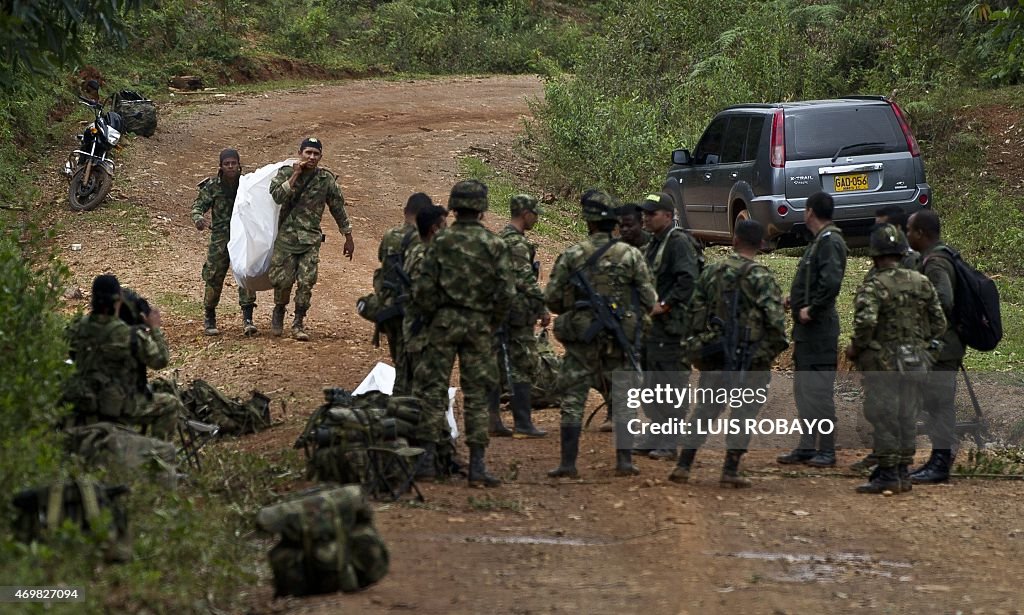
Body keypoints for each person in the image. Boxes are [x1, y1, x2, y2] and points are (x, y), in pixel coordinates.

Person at [410, 180, 515, 488]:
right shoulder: (495, 245)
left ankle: (427, 459)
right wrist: (490, 321)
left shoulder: (441, 242)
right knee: (477, 393)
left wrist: (434, 315)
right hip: (479, 326)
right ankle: (478, 465)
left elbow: (423, 288)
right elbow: (507, 293)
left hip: (443, 323)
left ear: (453, 207)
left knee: (433, 388)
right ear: (482, 208)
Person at [546, 190, 657, 478]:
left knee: (573, 397)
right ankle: (624, 461)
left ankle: (568, 464)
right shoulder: (631, 255)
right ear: (614, 223)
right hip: (619, 337)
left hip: (582, 338)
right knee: (624, 396)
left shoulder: (573, 255)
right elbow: (648, 298)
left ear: (589, 222)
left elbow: (553, 299)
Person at [670, 220, 788, 487]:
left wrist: (700, 346)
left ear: (734, 240)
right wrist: (765, 355)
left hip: (716, 355)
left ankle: (684, 464)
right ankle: (730, 469)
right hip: (751, 358)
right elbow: (777, 325)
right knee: (744, 414)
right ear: (760, 245)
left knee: (705, 410)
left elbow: (694, 314)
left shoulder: (712, 272)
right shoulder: (763, 277)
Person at [845, 224, 946, 493]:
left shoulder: (875, 285)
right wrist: (927, 353)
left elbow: (865, 323)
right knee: (907, 416)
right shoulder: (921, 282)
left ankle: (888, 473)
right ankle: (902, 470)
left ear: (875, 255)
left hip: (883, 364)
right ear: (902, 253)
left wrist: (856, 348)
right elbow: (939, 323)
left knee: (883, 415)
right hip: (914, 362)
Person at [778, 192, 848, 467]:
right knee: (803, 390)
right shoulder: (820, 242)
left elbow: (830, 283)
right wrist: (795, 300)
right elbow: (814, 281)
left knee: (819, 392)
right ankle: (807, 446)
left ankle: (827, 449)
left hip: (819, 330)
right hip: (806, 332)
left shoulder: (831, 242)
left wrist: (813, 309)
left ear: (809, 212)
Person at [63, 275, 180, 439]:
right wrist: (155, 329)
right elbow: (161, 360)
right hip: (120, 407)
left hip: (84, 404)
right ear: (118, 301)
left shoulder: (75, 328)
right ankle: (155, 452)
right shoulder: (129, 335)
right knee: (170, 403)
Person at [269, 137, 355, 341]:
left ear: (321, 156)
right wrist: (296, 174)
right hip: (286, 240)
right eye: (308, 152)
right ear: (300, 153)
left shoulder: (326, 179)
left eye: (316, 154)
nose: (311, 157)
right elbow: (277, 197)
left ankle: (298, 322)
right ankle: (279, 311)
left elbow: (338, 208)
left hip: (310, 240)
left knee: (306, 282)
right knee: (283, 281)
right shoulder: (286, 172)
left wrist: (348, 236)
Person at [639, 192, 699, 460]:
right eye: (645, 213)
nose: (646, 218)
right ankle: (656, 433)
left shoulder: (678, 242)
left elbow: (687, 280)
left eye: (652, 213)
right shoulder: (653, 244)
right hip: (653, 329)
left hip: (672, 328)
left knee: (671, 383)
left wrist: (665, 305)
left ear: (668, 214)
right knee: (651, 383)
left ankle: (669, 440)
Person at [906, 209, 965, 484]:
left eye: (910, 230)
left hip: (942, 348)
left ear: (921, 233)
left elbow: (944, 300)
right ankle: (936, 459)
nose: (907, 235)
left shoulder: (936, 262)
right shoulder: (935, 257)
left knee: (940, 403)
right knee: (934, 402)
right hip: (941, 346)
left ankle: (941, 463)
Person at [489, 194, 550, 439]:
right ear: (526, 214)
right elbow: (525, 279)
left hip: (500, 310)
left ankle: (493, 419)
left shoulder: (500, 238)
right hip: (516, 312)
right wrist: (542, 306)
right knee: (523, 365)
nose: (536, 219)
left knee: (496, 364)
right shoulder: (517, 244)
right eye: (535, 214)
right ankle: (523, 422)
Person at [402, 204, 449, 479]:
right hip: (426, 335)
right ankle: (425, 459)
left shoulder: (417, 252)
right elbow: (426, 298)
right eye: (444, 225)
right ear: (434, 228)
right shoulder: (427, 257)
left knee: (420, 390)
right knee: (430, 395)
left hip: (418, 332)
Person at [191, 149, 258, 337]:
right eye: (226, 163)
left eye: (233, 163)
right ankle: (210, 317)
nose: (230, 167)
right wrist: (198, 218)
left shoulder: (246, 185)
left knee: (245, 275)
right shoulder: (212, 186)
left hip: (242, 237)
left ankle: (248, 318)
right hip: (220, 237)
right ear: (220, 166)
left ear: (239, 165)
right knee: (214, 277)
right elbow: (198, 205)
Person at [376, 192, 433, 395]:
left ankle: (400, 404)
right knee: (417, 368)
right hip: (412, 311)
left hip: (389, 308)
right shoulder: (425, 241)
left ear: (404, 212)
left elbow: (382, 260)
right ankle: (407, 409)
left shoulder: (391, 235)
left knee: (400, 362)